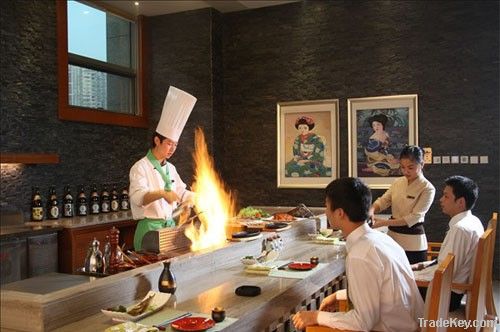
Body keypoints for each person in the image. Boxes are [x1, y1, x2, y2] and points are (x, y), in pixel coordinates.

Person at [292, 177, 423, 331]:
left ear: (340, 213)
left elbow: (361, 323)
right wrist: (340, 295)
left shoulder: (360, 255)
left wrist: (316, 317)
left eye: (327, 206)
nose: (325, 211)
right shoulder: (381, 239)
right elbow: (383, 291)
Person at [129, 86, 197, 251]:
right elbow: (138, 198)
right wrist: (162, 193)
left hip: (169, 230)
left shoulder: (171, 168)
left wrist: (200, 198)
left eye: (175, 145)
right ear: (157, 141)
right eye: (168, 144)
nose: (172, 149)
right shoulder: (140, 167)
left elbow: (181, 193)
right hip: (149, 231)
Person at [412, 175, 483, 311]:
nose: (441, 200)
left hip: (445, 296)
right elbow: (443, 263)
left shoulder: (460, 229)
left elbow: (445, 273)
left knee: (391, 284)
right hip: (449, 291)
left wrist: (412, 275)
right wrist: (419, 266)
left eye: (446, 196)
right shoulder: (473, 221)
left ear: (460, 202)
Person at [371, 145, 436, 264]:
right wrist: (371, 210)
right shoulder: (398, 182)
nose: (406, 171)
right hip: (393, 239)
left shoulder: (427, 188)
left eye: (411, 167)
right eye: (403, 167)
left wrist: (384, 222)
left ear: (422, 164)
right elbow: (384, 200)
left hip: (413, 243)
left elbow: (414, 217)